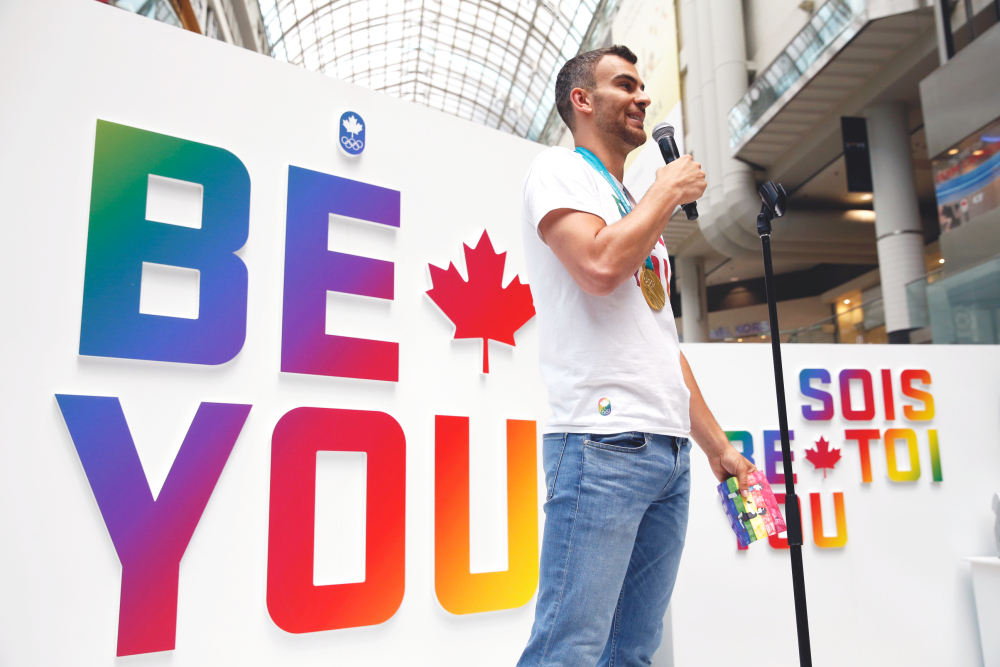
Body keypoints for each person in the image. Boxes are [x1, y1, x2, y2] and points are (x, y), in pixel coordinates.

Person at [517, 45, 758, 666]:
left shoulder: (630, 205)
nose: (644, 98)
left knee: (633, 651)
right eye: (625, 85)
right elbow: (597, 265)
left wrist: (718, 447)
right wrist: (666, 190)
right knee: (568, 650)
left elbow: (662, 345)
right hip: (602, 443)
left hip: (668, 450)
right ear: (582, 101)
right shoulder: (557, 171)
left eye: (643, 87)